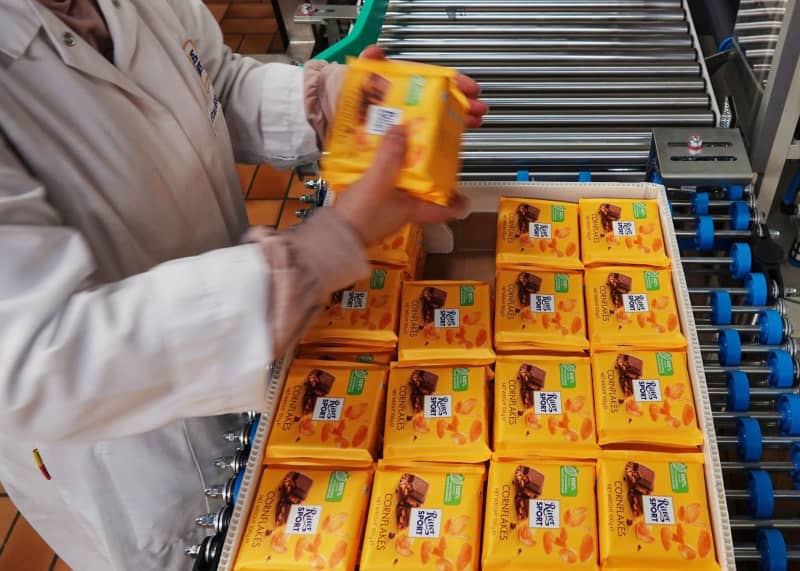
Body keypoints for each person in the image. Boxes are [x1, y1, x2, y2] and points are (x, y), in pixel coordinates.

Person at [0, 1, 487, 569]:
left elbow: (214, 78)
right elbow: (36, 359)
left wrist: (336, 103)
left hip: (256, 344)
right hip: (134, 451)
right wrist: (317, 253)